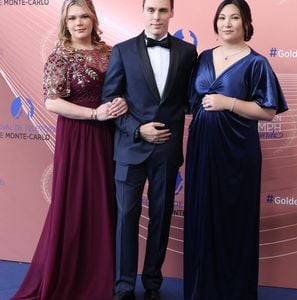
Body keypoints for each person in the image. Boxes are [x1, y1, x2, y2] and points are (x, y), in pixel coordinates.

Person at [11, 1, 127, 299]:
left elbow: (123, 91)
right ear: (65, 22)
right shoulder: (59, 56)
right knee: (74, 201)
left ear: (93, 18)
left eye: (83, 16)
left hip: (109, 135)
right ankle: (71, 275)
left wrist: (122, 103)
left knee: (105, 201)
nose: (78, 22)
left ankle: (101, 275)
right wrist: (93, 114)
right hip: (77, 135)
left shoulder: (112, 52)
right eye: (72, 17)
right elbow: (51, 102)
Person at [184, 0, 288, 299]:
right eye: (222, 17)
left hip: (237, 153)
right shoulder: (203, 58)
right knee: (202, 214)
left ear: (246, 24)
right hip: (202, 148)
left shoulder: (257, 63)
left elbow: (268, 111)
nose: (226, 23)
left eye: (234, 18)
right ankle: (200, 290)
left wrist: (227, 102)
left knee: (234, 219)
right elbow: (190, 102)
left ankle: (233, 291)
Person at [102, 0, 197, 299]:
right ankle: (124, 286)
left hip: (166, 150)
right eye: (151, 10)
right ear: (142, 12)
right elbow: (110, 99)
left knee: (161, 216)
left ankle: (153, 284)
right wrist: (137, 129)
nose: (156, 16)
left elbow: (189, 98)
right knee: (126, 218)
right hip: (130, 148)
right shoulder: (122, 50)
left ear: (172, 13)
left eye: (162, 10)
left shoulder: (187, 52)